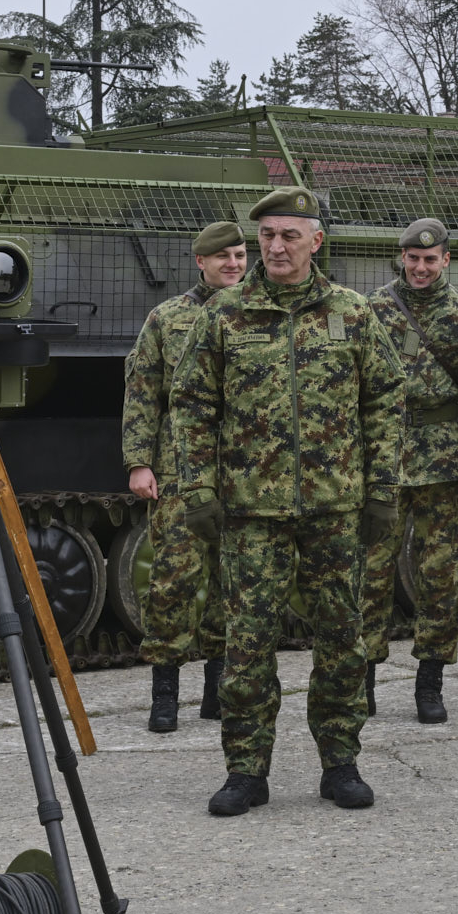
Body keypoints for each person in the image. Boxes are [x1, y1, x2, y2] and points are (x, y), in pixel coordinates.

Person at [175, 185, 402, 817]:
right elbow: (192, 406)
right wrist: (198, 489)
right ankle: (246, 771)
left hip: (336, 509)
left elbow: (384, 400)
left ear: (315, 241)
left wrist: (383, 489)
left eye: (289, 235)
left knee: (343, 639)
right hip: (251, 514)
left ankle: (340, 762)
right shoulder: (224, 316)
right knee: (246, 645)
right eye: (268, 236)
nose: (276, 247)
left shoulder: (353, 313)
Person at [362, 218, 458, 725]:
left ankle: (430, 680)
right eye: (412, 258)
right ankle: (364, 679)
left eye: (430, 259)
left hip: (445, 459)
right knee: (370, 571)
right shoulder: (372, 310)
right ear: (401, 257)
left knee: (440, 573)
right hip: (383, 456)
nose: (420, 268)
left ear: (446, 260)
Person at [122, 221, 246, 733]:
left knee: (232, 581)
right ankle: (165, 695)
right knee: (173, 580)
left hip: (245, 471)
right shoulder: (167, 318)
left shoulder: (261, 314)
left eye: (240, 255)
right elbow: (142, 391)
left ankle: (218, 694)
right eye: (223, 257)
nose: (234, 264)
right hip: (180, 467)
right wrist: (138, 461)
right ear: (201, 262)